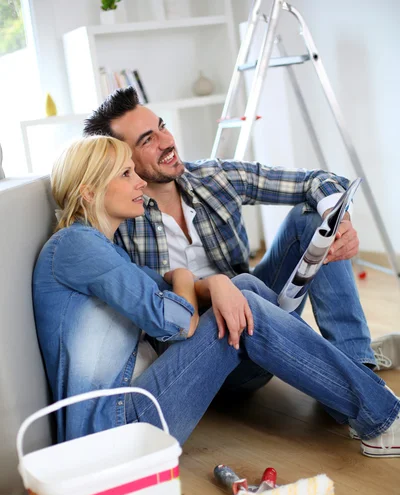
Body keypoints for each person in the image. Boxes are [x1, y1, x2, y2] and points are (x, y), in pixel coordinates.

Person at [33, 135, 400, 457]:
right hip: (119, 428)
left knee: (245, 289)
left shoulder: (100, 247)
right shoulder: (76, 245)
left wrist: (215, 283)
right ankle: (381, 415)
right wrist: (184, 275)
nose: (140, 183)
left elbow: (170, 297)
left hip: (133, 410)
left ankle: (349, 391)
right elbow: (176, 322)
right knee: (248, 307)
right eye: (126, 174)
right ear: (89, 191)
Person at [82, 87, 399, 389]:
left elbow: (315, 180)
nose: (167, 141)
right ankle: (351, 375)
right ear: (122, 158)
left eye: (162, 126)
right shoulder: (118, 220)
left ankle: (357, 367)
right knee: (243, 288)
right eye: (148, 140)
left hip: (257, 315)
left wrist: (340, 221)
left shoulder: (213, 177)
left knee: (315, 218)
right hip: (207, 352)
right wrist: (214, 287)